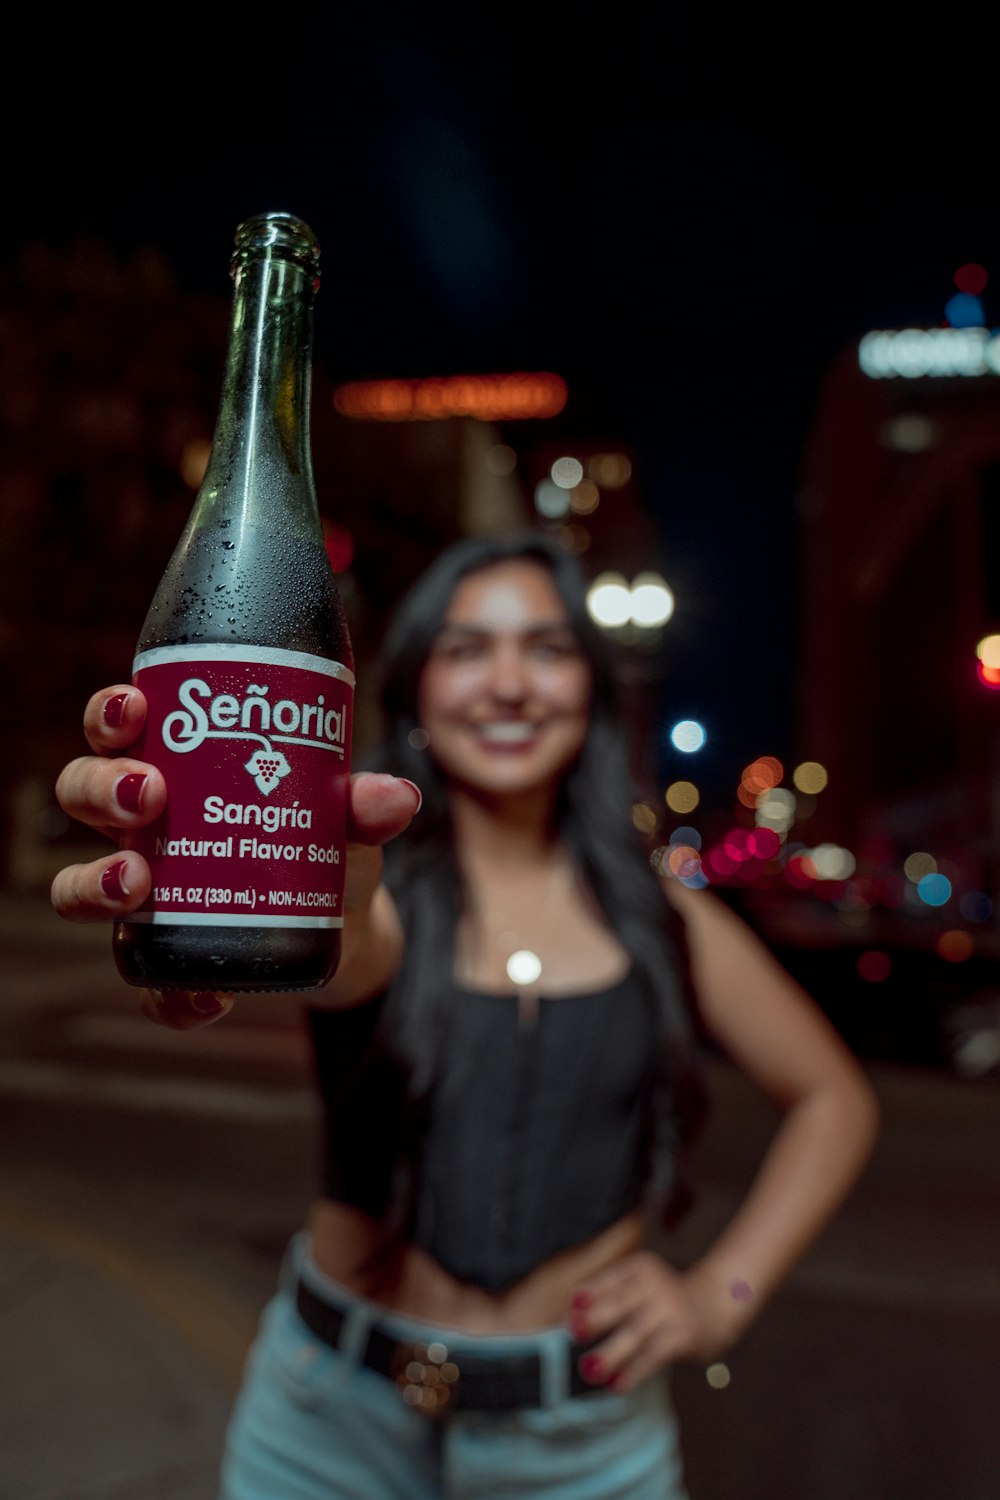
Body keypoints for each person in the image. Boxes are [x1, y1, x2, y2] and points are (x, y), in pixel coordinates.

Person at [51, 530, 879, 1499]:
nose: (510, 683)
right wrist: (235, 908)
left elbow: (833, 1098)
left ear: (591, 686)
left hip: (585, 1443)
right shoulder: (366, 884)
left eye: (547, 647)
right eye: (465, 648)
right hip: (329, 1425)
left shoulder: (666, 918)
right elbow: (355, 943)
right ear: (415, 688)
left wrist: (718, 1297)